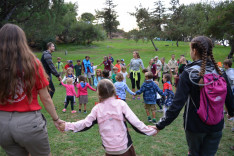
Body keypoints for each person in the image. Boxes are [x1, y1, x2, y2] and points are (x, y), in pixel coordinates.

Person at [155, 36, 234, 156]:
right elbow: (230, 102)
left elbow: (177, 105)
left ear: (195, 50)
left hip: (195, 126)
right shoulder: (220, 72)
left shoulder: (189, 73)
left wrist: (161, 125)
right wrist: (231, 112)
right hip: (217, 126)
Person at [0, 23, 63, 156]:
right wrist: (56, 119)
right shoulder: (32, 63)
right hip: (28, 122)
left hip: (2, 123)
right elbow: (45, 97)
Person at [59, 79, 157, 156]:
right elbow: (136, 123)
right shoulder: (121, 104)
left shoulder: (97, 108)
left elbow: (85, 124)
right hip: (124, 149)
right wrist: (152, 130)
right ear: (113, 90)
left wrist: (67, 126)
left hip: (109, 150)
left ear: (99, 93)